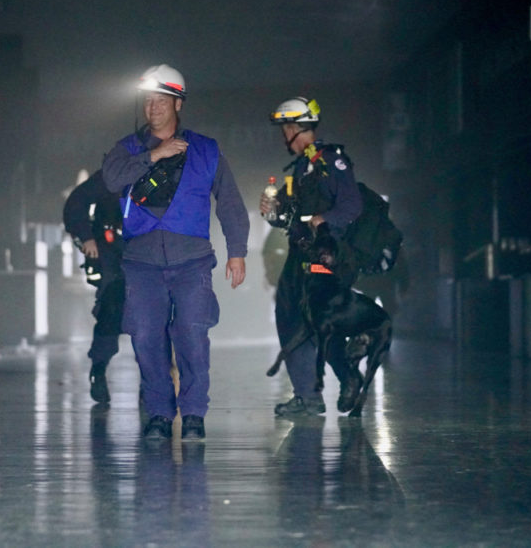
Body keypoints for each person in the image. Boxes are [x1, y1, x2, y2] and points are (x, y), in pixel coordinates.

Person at [102, 64, 249, 440]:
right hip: (141, 262)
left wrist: (237, 251)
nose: (153, 107)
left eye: (161, 100)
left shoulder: (206, 150)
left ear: (178, 103)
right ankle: (159, 415)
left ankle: (194, 414)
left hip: (192, 261)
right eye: (147, 100)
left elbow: (230, 202)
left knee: (192, 335)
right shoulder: (128, 149)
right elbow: (112, 180)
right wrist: (155, 155)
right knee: (146, 338)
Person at [260, 96, 363, 416]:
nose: (283, 135)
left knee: (319, 323)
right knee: (291, 320)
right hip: (299, 256)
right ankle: (307, 396)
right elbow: (292, 217)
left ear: (297, 127)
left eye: (286, 128)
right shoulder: (303, 166)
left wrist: (324, 220)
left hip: (325, 254)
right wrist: (273, 213)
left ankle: (348, 377)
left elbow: (352, 206)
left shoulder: (332, 161)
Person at [63, 168, 126, 404]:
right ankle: (98, 370)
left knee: (152, 320)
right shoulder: (113, 174)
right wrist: (86, 236)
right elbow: (77, 202)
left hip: (149, 255)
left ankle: (151, 385)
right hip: (113, 253)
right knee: (111, 311)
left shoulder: (161, 171)